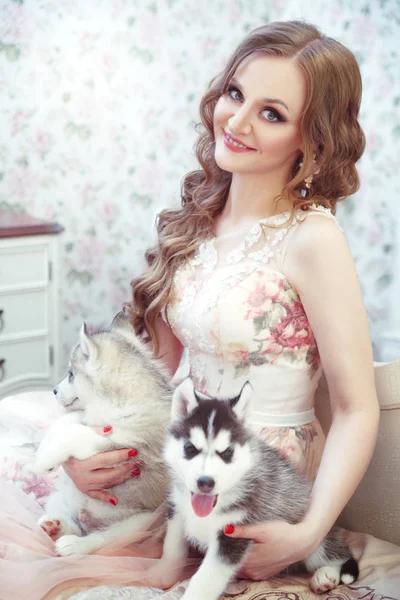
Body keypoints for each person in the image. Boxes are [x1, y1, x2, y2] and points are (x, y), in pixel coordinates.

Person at [0, 19, 380, 599]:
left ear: (313, 139)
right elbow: (149, 383)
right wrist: (89, 455)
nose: (238, 121)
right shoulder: (197, 225)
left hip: (257, 479)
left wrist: (307, 534)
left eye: (272, 113)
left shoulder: (313, 239)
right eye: (235, 94)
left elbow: (357, 408)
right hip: (181, 459)